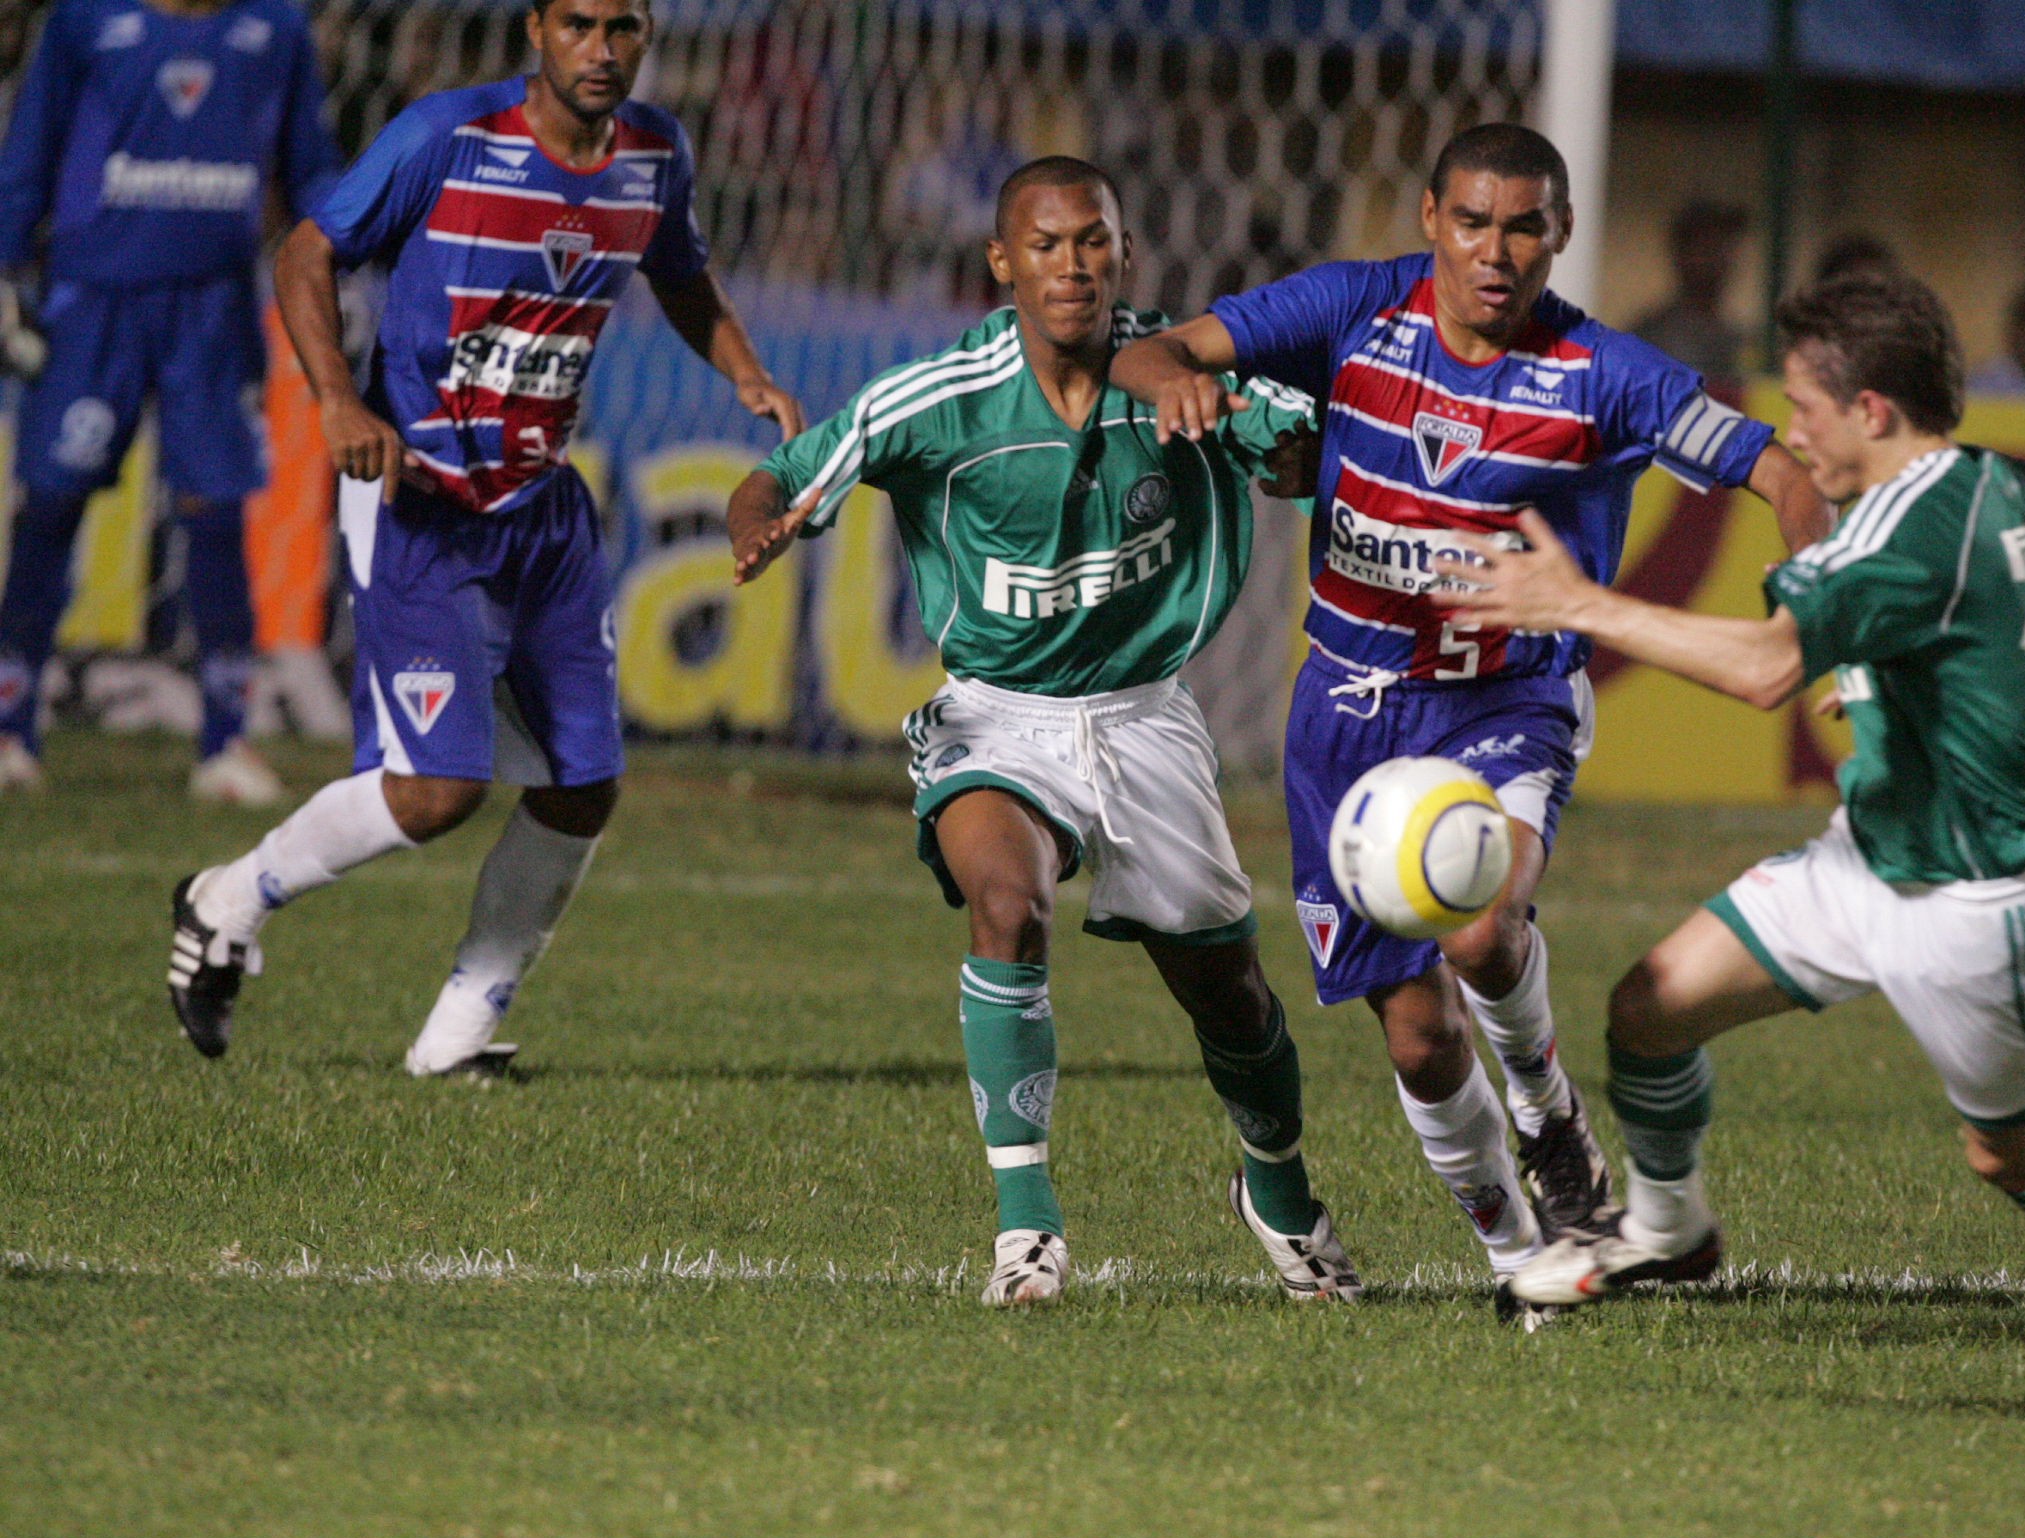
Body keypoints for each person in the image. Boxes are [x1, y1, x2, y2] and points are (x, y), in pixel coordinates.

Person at [1443, 270, 2025, 1420]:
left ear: (1872, 411)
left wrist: (1578, 606)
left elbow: (1767, 668)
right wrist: (1914, 666)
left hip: (1978, 903)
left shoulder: (1902, 537)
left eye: (1806, 405)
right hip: (1866, 856)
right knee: (1649, 1007)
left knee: (2016, 1158)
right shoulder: (1991, 483)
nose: (1790, 430)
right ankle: (1668, 1229)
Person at [1110, 124, 1833, 1322]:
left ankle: (1549, 1113)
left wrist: (1820, 591)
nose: (1497, 252)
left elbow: (1782, 474)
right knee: (1415, 1040)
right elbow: (1152, 349)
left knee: (1483, 920)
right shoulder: (1351, 308)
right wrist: (1183, 380)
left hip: (1509, 699)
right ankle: (1516, 1253)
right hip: (1344, 713)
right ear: (1433, 220)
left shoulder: (1606, 374)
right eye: (1473, 223)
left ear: (1558, 233)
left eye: (1525, 228)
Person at [725, 157, 1359, 1309]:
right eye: (1049, 244)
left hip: (1146, 717)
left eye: (1094, 243)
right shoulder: (936, 399)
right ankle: (1027, 1227)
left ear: (1123, 254)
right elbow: (774, 478)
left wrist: (1272, 443)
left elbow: (1310, 458)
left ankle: (1275, 1187)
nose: (1073, 266)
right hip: (995, 716)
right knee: (1006, 909)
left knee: (1232, 998)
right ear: (1001, 262)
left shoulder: (1184, 374)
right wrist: (761, 529)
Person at [166, 0, 805, 1077]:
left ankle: (453, 1041)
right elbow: (306, 254)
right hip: (421, 495)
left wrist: (742, 367)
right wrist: (336, 400)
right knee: (437, 791)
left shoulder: (655, 153)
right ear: (534, 29)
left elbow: (679, 271)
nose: (601, 51)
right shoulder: (447, 138)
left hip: (543, 508)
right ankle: (226, 898)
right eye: (580, 24)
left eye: (625, 28)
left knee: (581, 783)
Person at [0, 0, 344, 803]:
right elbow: (31, 150)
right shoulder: (86, 21)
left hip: (215, 308)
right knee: (50, 502)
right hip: (93, 301)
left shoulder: (275, 29)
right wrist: (6, 269)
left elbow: (311, 165)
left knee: (216, 512)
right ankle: (12, 727)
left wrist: (350, 243)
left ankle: (225, 741)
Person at [1631, 199, 1748, 384]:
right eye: (1706, 246)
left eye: (1725, 246)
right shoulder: (1652, 339)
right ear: (1681, 255)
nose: (1719, 257)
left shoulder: (1739, 340)